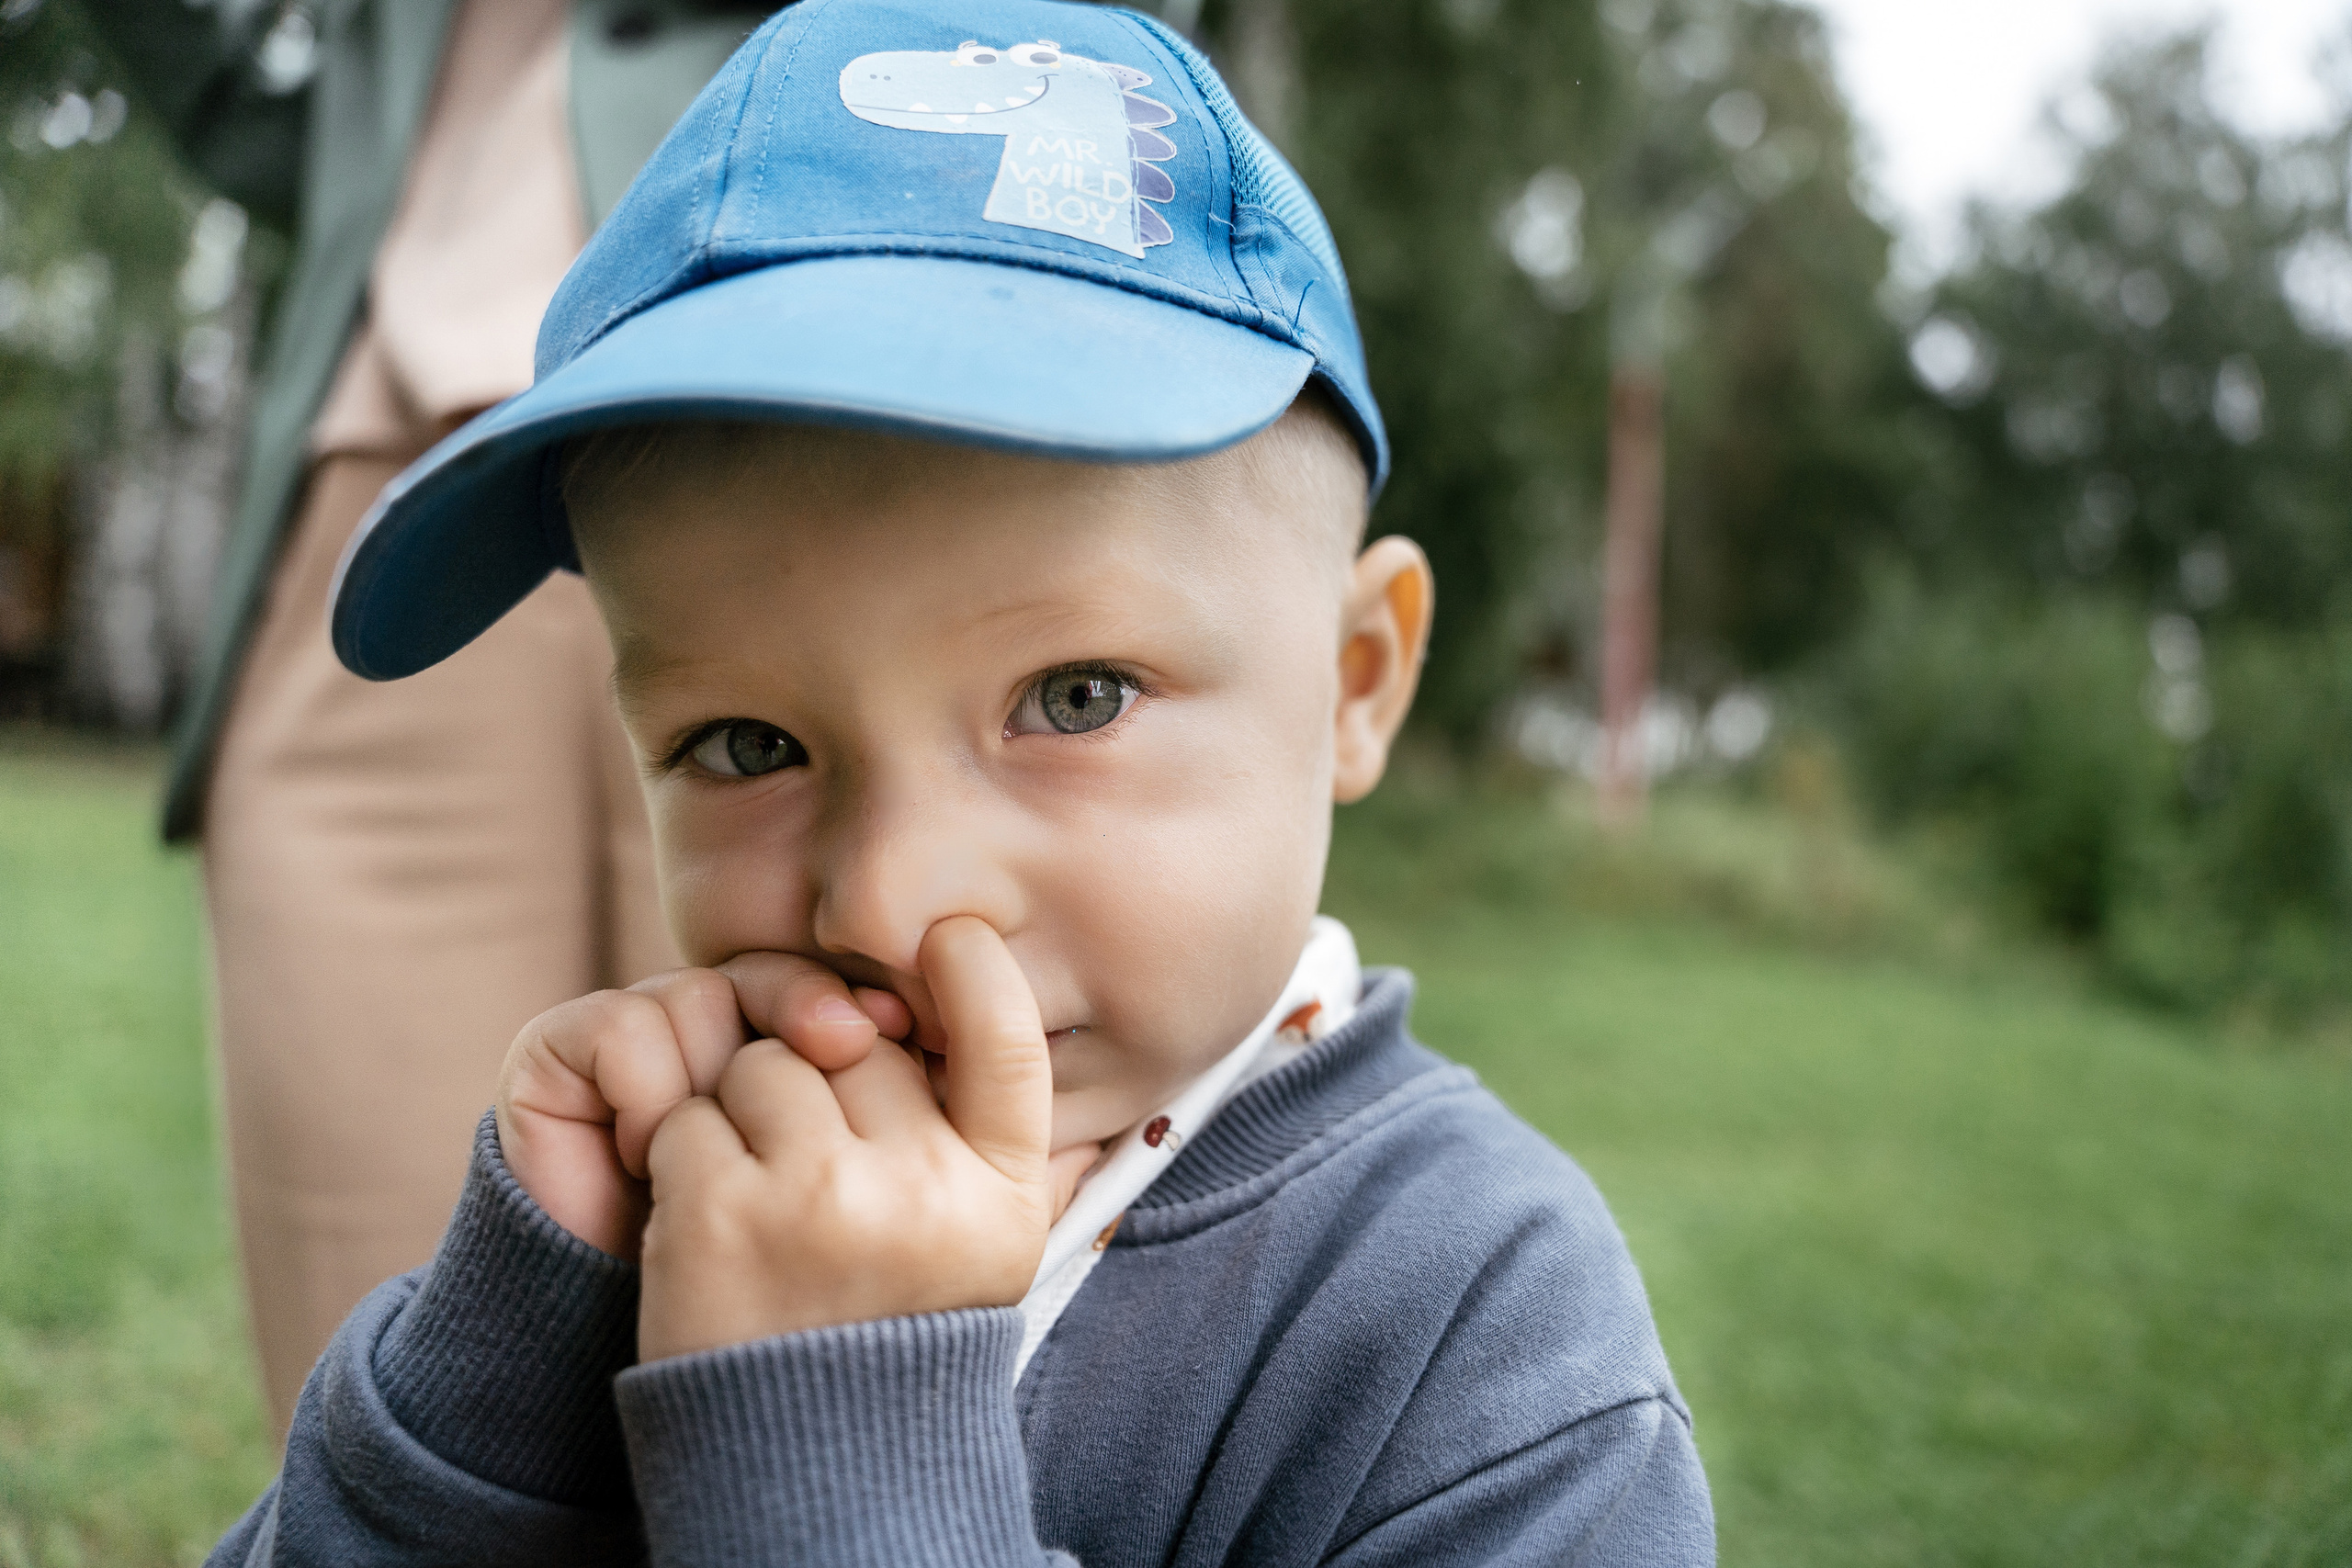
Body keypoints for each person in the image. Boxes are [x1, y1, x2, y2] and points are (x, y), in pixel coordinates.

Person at [209, 0, 1715, 1561]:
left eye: (1075, 699)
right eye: (747, 746)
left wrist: (838, 1445)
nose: (883, 897)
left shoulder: (1489, 1348)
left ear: (1354, 682)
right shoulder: (648, 1212)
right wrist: (487, 1397)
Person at [89, 0, 770, 1433]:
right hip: (387, 537)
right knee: (389, 1334)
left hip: (789, 487)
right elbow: (258, 127)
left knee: (808, 1307)